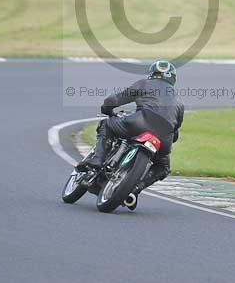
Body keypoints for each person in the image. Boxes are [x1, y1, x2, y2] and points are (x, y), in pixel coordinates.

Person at [77, 60, 184, 210]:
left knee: (107, 124)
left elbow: (113, 100)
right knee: (163, 167)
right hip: (164, 138)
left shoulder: (144, 84)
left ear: (152, 74)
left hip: (139, 123)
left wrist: (107, 109)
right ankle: (135, 190)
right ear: (173, 79)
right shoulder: (179, 102)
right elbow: (176, 131)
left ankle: (97, 159)